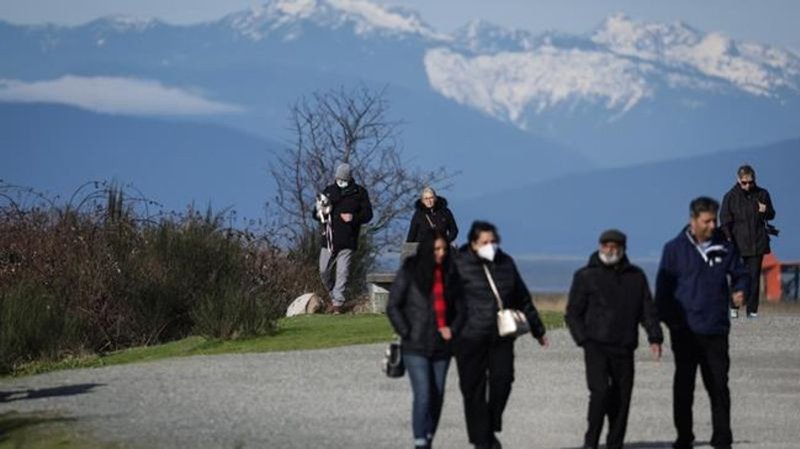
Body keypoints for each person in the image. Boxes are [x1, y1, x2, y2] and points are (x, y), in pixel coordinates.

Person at [655, 197, 749, 449]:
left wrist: (740, 289)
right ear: (693, 220)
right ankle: (684, 437)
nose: (712, 226)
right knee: (684, 387)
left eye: (714, 220)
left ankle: (722, 438)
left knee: (718, 385)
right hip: (685, 331)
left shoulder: (725, 246)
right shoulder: (674, 249)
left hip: (715, 330)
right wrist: (672, 323)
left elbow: (741, 274)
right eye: (706, 221)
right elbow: (662, 292)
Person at [452, 220, 548, 449]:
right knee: (473, 389)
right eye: (485, 242)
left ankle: (489, 425)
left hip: (501, 335)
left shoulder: (506, 263)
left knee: (503, 379)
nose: (490, 245)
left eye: (493, 241)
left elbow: (522, 298)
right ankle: (482, 441)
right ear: (473, 243)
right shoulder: (458, 264)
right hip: (469, 337)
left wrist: (538, 330)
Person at [566, 229, 663, 449]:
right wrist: (583, 340)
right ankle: (591, 442)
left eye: (614, 246)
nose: (610, 250)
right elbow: (573, 313)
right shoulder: (585, 276)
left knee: (622, 398)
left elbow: (647, 310)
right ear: (600, 247)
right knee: (600, 393)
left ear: (623, 249)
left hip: (624, 345)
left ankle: (615, 443)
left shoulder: (636, 277)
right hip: (596, 346)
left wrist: (655, 337)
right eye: (606, 246)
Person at [386, 231, 461, 449]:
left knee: (437, 396)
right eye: (437, 249)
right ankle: (420, 442)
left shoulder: (450, 272)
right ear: (428, 249)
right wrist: (406, 331)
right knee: (424, 395)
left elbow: (462, 309)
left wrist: (453, 329)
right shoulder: (410, 270)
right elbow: (393, 306)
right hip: (415, 345)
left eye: (444, 249)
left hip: (442, 346)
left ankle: (428, 437)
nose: (441, 253)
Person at [314, 163, 373, 314]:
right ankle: (334, 295)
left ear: (349, 178)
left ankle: (337, 304)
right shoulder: (328, 191)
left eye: (343, 179)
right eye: (338, 178)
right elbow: (315, 213)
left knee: (342, 273)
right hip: (329, 239)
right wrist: (321, 212)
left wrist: (353, 217)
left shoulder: (360, 192)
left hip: (348, 239)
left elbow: (368, 215)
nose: (340, 181)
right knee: (323, 270)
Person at [720, 164, 776, 318]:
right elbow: (724, 221)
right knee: (737, 277)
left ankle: (752, 311)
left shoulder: (762, 194)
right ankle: (734, 308)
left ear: (754, 179)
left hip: (757, 243)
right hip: (737, 244)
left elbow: (772, 214)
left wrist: (766, 211)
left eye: (750, 182)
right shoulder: (730, 197)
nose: (747, 186)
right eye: (744, 182)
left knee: (754, 278)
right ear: (738, 180)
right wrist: (729, 239)